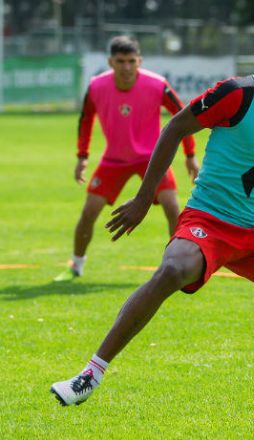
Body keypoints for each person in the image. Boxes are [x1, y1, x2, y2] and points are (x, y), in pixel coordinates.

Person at [51, 26, 254, 440]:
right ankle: (89, 375)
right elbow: (174, 128)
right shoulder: (238, 93)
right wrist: (142, 198)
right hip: (210, 220)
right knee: (172, 270)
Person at [54, 36, 199, 282]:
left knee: (172, 207)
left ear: (139, 61)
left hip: (152, 159)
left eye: (132, 61)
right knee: (89, 212)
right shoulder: (96, 87)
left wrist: (190, 155)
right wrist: (82, 156)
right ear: (111, 62)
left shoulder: (157, 84)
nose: (126, 67)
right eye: (120, 61)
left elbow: (183, 116)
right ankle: (76, 266)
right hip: (114, 159)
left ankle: (178, 267)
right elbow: (85, 120)